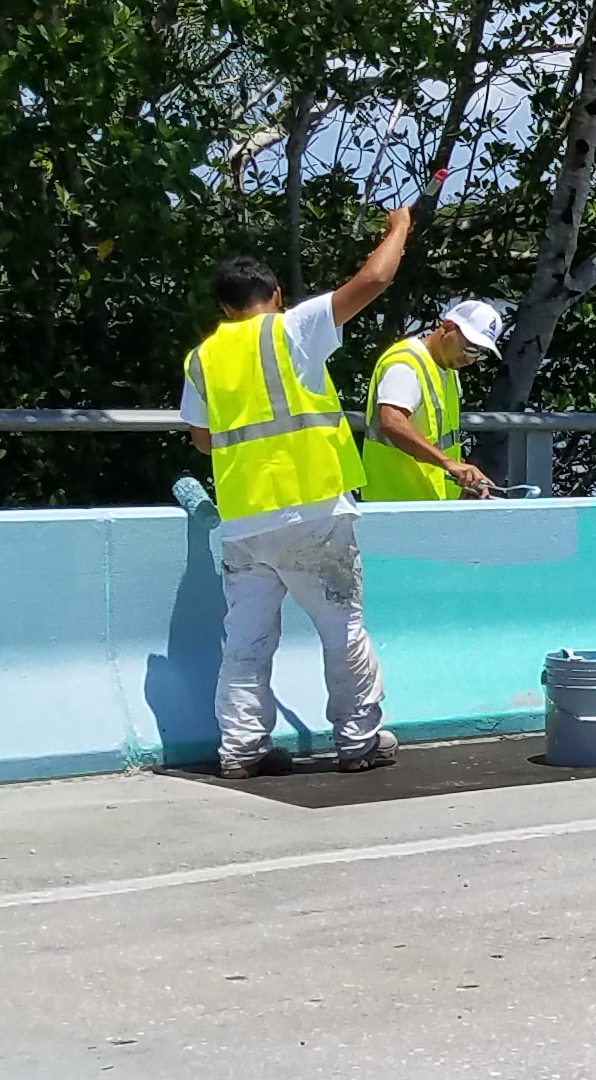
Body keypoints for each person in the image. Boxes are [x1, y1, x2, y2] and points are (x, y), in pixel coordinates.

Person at [179, 205, 417, 775]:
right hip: (314, 513)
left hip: (244, 523)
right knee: (342, 630)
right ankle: (358, 742)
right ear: (277, 295)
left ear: (223, 309)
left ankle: (242, 748)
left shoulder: (202, 359)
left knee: (245, 643)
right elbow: (374, 279)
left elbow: (202, 441)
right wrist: (400, 228)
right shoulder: (293, 329)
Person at [364, 299, 504, 502]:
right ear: (448, 326)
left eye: (480, 353)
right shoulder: (405, 364)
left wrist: (460, 473)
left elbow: (441, 440)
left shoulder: (448, 370)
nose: (470, 359)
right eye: (470, 347)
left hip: (430, 501)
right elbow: (392, 422)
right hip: (397, 501)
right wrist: (448, 463)